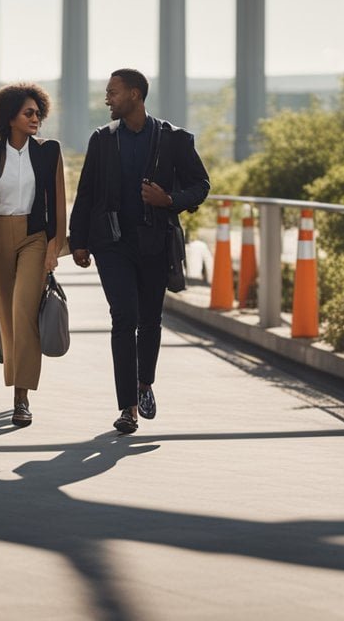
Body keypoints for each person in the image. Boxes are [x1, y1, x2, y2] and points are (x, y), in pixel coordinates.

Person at [69, 69, 209, 434]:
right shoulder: (102, 140)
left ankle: (144, 384)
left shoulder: (174, 139)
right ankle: (127, 407)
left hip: (155, 243)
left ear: (134, 94)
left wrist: (169, 200)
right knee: (123, 318)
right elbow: (86, 194)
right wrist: (78, 241)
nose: (107, 99)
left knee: (149, 321)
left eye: (112, 93)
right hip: (111, 245)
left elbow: (201, 184)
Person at [0, 83, 66, 427]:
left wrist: (54, 247)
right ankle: (14, 379)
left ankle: (22, 396)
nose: (36, 119)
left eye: (38, 113)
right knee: (6, 316)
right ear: (10, 118)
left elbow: (59, 202)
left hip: (34, 237)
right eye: (29, 113)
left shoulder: (49, 151)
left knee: (23, 313)